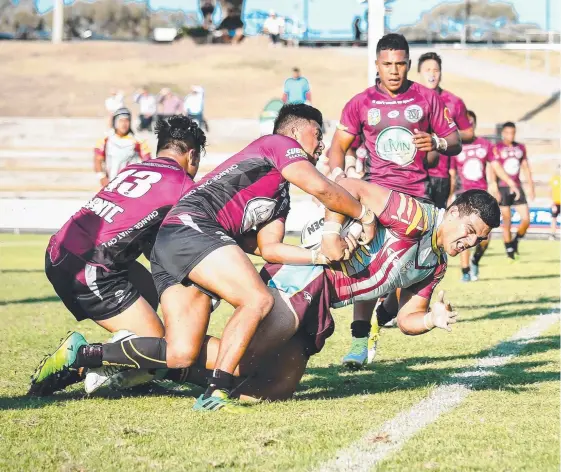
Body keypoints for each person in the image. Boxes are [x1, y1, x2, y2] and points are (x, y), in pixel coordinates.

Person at [28, 104, 375, 410]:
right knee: (255, 300)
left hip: (90, 251)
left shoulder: (136, 170)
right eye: (317, 134)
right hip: (110, 260)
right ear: (297, 131)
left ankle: (88, 356)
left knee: (178, 350)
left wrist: (317, 255)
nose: (321, 144)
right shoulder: (276, 146)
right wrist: (363, 214)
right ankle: (212, 387)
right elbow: (322, 189)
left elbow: (267, 248)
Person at [30, 186, 500, 404]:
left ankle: (164, 365)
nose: (468, 242)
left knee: (270, 389)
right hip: (308, 281)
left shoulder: (435, 261)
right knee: (233, 364)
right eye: (469, 230)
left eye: (476, 241)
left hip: (323, 305)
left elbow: (407, 317)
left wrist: (433, 319)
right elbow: (351, 189)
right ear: (455, 211)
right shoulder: (416, 214)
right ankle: (89, 354)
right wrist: (336, 227)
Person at [29, 116, 207, 396]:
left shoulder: (132, 168)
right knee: (160, 347)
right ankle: (81, 360)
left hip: (60, 250)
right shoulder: (183, 184)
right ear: (192, 154)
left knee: (151, 292)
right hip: (90, 267)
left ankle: (108, 358)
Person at [328, 33, 462, 369]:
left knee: (407, 272)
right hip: (377, 194)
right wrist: (337, 172)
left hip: (418, 199)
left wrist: (436, 142)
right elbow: (338, 145)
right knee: (369, 265)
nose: (394, 70)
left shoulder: (426, 98)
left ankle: (385, 316)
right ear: (377, 65)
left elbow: (455, 139)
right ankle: (359, 341)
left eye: (400, 64)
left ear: (408, 64)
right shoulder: (361, 103)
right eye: (387, 64)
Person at [417, 52, 474, 209]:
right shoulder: (409, 98)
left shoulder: (454, 102)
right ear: (419, 73)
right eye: (427, 70)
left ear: (441, 73)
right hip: (412, 171)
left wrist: (443, 136)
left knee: (437, 222)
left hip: (440, 174)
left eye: (436, 70)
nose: (432, 74)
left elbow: (469, 132)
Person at [449, 110, 494, 281]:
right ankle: (466, 271)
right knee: (465, 233)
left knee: (485, 237)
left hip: (483, 194)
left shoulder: (485, 144)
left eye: (470, 122)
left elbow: (491, 167)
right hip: (463, 195)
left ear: (474, 124)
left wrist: (494, 186)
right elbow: (452, 174)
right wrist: (450, 195)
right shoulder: (455, 146)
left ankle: (476, 260)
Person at [491, 122, 535, 260]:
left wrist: (531, 186)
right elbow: (493, 168)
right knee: (507, 220)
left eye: (513, 133)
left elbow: (525, 167)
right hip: (503, 187)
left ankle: (515, 241)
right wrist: (494, 187)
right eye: (508, 133)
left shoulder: (520, 147)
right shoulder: (497, 148)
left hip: (517, 186)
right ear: (503, 133)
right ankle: (509, 250)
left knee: (526, 219)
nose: (511, 135)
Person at [94, 108, 151, 186]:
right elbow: (98, 159)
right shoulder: (105, 139)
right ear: (115, 122)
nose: (124, 124)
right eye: (121, 120)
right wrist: (101, 177)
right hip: (109, 184)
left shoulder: (139, 141)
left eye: (127, 120)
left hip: (129, 186)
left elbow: (148, 162)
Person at [550, 168, 560, 240]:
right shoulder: (554, 179)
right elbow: (550, 191)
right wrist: (552, 203)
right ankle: (552, 234)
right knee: (554, 218)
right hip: (556, 202)